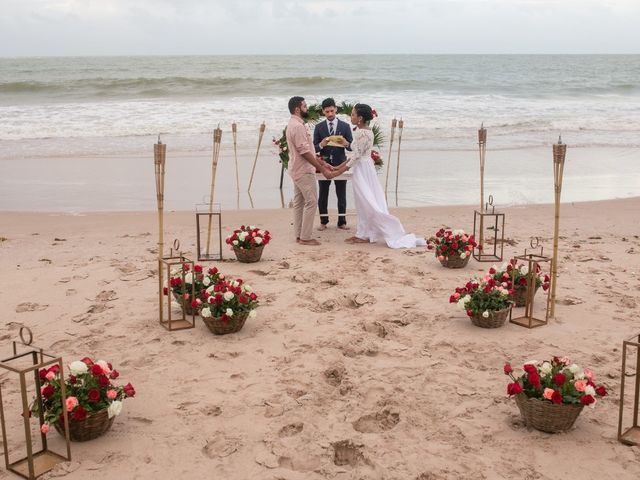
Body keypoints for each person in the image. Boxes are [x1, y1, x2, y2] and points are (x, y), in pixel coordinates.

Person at [328, 104, 426, 249]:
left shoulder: (362, 133)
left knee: (366, 201)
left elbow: (356, 156)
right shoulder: (365, 130)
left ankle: (365, 234)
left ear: (360, 118)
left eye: (353, 114)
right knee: (364, 201)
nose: (351, 117)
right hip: (365, 166)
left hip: (362, 169)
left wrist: (337, 172)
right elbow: (357, 151)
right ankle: (364, 233)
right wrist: (344, 151)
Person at [286, 96, 333, 246]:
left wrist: (321, 162)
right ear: (297, 109)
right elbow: (304, 151)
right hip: (303, 170)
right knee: (312, 202)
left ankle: (299, 235)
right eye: (305, 106)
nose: (308, 108)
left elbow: (307, 150)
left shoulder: (293, 123)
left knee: (299, 202)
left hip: (296, 169)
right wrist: (321, 168)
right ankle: (305, 237)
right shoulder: (298, 126)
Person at [313, 98, 354, 231]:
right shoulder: (319, 127)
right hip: (323, 165)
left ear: (336, 109)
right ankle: (323, 221)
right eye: (327, 111)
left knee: (341, 193)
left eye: (332, 110)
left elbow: (352, 147)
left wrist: (346, 143)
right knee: (323, 194)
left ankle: (342, 221)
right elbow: (313, 148)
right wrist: (321, 144)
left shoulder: (345, 126)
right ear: (323, 112)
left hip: (341, 163)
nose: (330, 114)